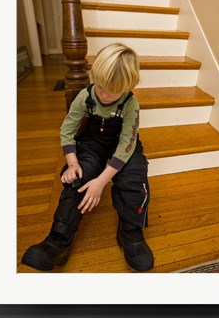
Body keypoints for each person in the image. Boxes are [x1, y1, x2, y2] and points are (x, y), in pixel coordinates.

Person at [21, 43, 154, 272]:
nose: (102, 95)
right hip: (92, 143)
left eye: (111, 91)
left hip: (122, 147)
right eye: (100, 87)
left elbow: (125, 147)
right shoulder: (85, 97)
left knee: (134, 177)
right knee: (78, 176)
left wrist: (101, 182)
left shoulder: (131, 105)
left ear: (127, 86)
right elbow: (67, 130)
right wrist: (72, 163)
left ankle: (130, 232)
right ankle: (59, 238)